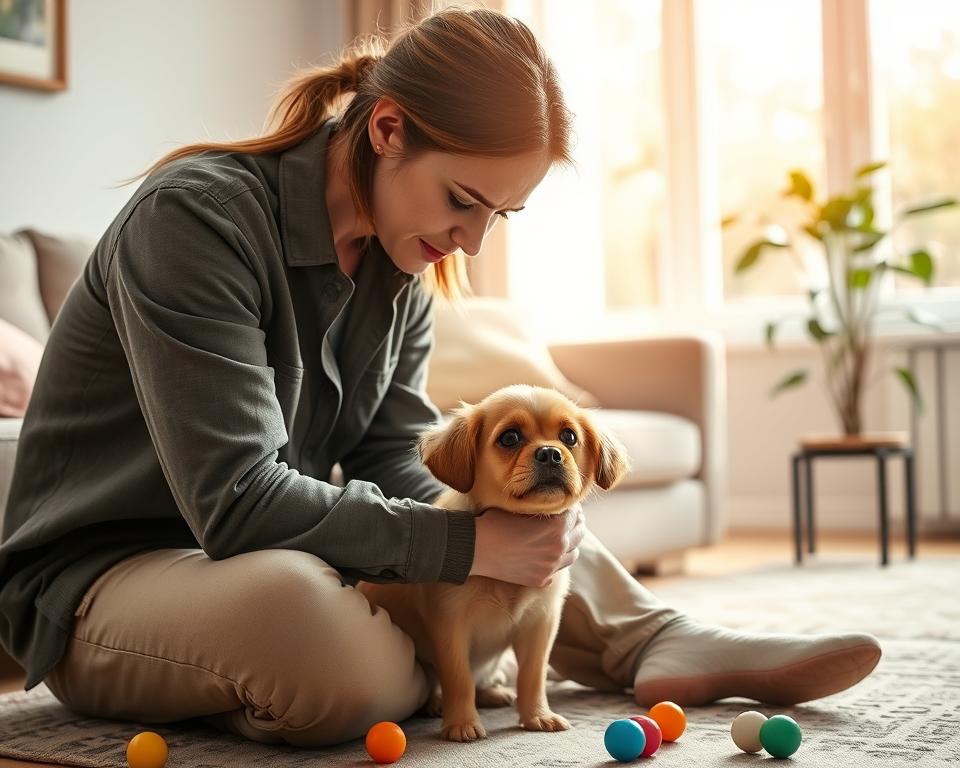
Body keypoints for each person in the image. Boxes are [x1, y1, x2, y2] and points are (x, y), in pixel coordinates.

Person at [0, 6, 880, 748]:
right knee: (325, 633)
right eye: (464, 200)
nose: (473, 242)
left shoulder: (400, 264)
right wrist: (463, 549)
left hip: (260, 556)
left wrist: (492, 522)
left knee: (497, 506)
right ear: (386, 131)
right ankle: (414, 663)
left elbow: (403, 461)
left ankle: (646, 636)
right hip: (104, 582)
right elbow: (235, 500)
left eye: (501, 215)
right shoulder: (196, 220)